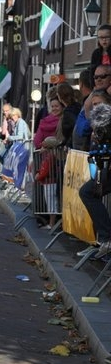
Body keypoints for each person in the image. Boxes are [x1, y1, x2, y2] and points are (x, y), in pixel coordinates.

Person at [79, 103, 111, 257]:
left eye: (98, 103)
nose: (95, 106)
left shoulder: (106, 125)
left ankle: (105, 238)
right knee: (90, 193)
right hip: (102, 169)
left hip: (107, 170)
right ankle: (101, 240)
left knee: (87, 192)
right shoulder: (97, 127)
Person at [35, 136, 62, 230]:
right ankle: (52, 223)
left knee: (51, 203)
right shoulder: (53, 155)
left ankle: (51, 224)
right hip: (50, 182)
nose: (41, 148)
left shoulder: (50, 157)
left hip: (50, 182)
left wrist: (38, 176)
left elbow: (45, 170)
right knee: (52, 203)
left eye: (44, 146)